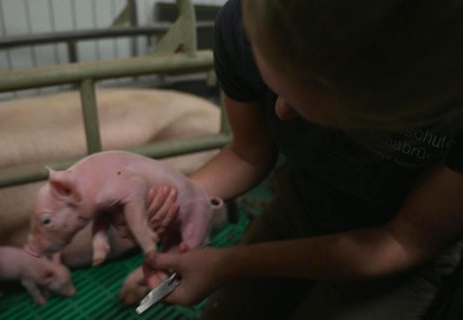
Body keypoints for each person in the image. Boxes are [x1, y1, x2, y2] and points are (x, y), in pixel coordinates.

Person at [143, 0, 463, 319]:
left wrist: (230, 262)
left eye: (307, 100)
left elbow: (405, 239)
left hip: (401, 245)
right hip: (303, 201)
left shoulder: (448, 98)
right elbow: (248, 153)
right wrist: (179, 195)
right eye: (274, 85)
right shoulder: (245, 22)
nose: (280, 112)